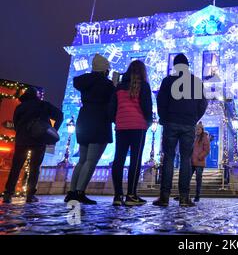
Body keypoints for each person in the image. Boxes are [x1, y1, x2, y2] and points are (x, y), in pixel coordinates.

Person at [153, 53, 208, 207]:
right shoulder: (196, 82)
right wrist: (194, 118)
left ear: (175, 67)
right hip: (188, 123)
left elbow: (161, 102)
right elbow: (203, 104)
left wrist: (164, 118)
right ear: (187, 66)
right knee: (186, 159)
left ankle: (164, 197)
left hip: (171, 122)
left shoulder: (168, 81)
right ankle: (184, 197)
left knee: (169, 158)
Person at [64, 54, 115, 205]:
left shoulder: (85, 82)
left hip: (84, 119)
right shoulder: (107, 85)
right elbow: (112, 103)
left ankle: (72, 192)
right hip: (99, 121)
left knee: (82, 160)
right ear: (105, 70)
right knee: (91, 160)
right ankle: (80, 192)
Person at [3, 87, 63, 203]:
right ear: (37, 95)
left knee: (16, 168)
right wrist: (53, 130)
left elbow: (16, 123)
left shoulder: (20, 107)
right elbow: (59, 115)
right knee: (34, 168)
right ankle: (30, 196)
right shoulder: (43, 105)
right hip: (39, 140)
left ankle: (8, 194)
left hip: (22, 141)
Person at [109, 60, 153, 206]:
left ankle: (117, 196)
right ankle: (131, 195)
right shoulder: (143, 86)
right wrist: (148, 122)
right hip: (138, 126)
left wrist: (117, 120)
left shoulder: (119, 87)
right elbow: (147, 107)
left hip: (121, 126)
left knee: (118, 159)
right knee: (135, 160)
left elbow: (112, 107)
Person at [190, 122, 210, 202]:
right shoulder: (193, 137)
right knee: (187, 178)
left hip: (199, 162)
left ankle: (197, 196)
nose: (197, 130)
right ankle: (184, 194)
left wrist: (200, 156)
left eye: (199, 129)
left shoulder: (205, 138)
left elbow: (207, 150)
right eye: (196, 129)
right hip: (191, 161)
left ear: (202, 129)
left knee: (198, 179)